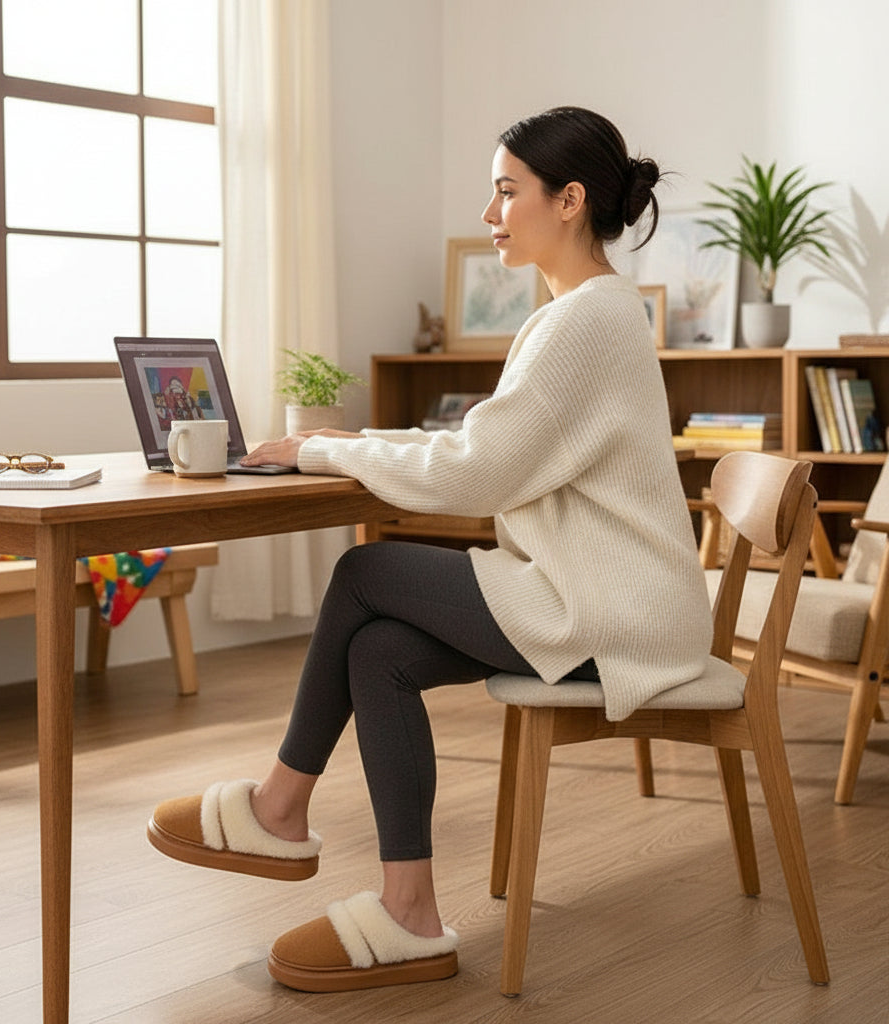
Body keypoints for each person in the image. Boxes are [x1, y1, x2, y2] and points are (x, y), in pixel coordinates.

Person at [147, 106, 714, 993]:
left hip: (614, 615)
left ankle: (279, 807)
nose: (490, 214)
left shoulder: (584, 323)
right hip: (601, 597)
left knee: (364, 570)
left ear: (568, 201)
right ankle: (409, 912)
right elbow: (483, 448)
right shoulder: (592, 313)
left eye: (506, 192)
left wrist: (323, 451)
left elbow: (475, 474)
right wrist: (350, 442)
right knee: (379, 650)